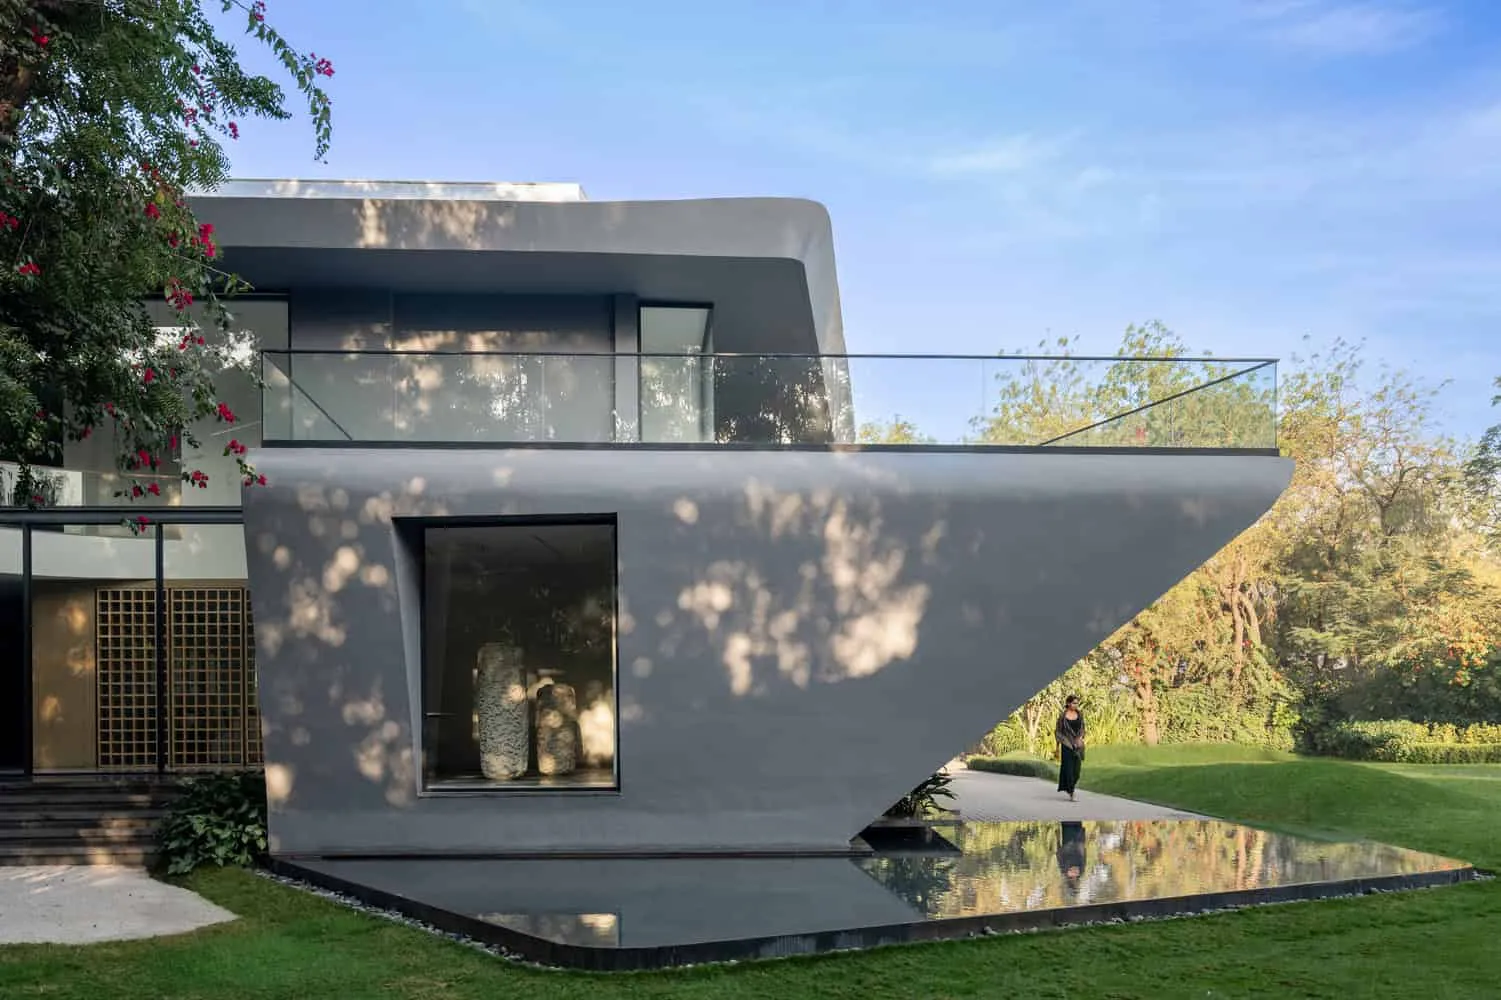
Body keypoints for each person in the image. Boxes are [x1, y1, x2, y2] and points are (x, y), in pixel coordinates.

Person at [1055, 695, 1086, 801]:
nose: (1075, 705)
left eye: (1077, 703)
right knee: (1068, 770)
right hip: (1066, 745)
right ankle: (1071, 792)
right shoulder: (1062, 717)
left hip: (1078, 746)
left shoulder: (1080, 715)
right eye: (1074, 703)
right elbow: (1058, 732)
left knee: (1076, 771)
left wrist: (1080, 738)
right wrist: (1057, 748)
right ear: (1068, 703)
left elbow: (1083, 728)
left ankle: (1069, 787)